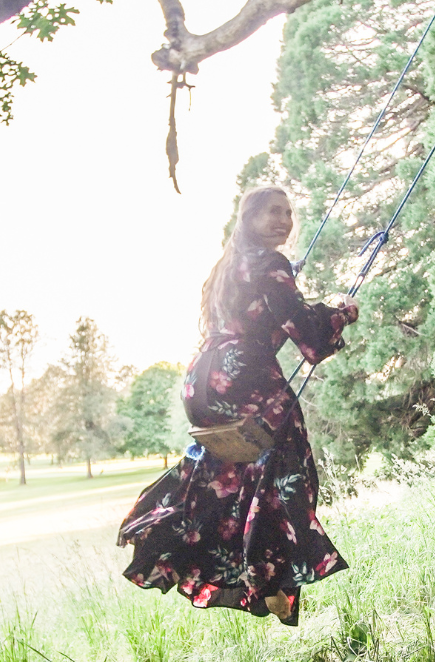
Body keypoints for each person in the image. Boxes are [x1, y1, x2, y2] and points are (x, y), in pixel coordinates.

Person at [117, 186, 359, 626]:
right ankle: (272, 583)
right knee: (288, 471)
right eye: (272, 212)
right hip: (244, 376)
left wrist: (295, 291)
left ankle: (184, 551)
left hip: (202, 384)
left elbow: (262, 309)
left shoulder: (229, 266)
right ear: (248, 217)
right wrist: (341, 313)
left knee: (230, 474)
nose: (283, 220)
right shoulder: (272, 265)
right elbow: (310, 336)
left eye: (288, 212)